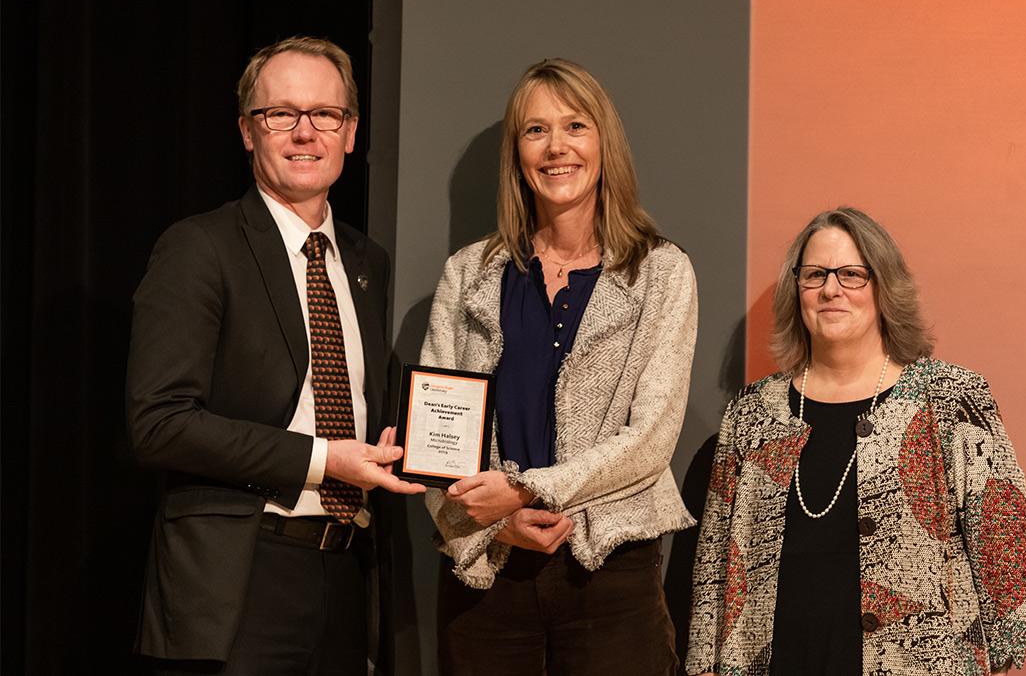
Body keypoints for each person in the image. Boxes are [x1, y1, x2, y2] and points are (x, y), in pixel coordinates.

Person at [127, 36, 424, 675]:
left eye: (325, 115)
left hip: (347, 571)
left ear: (351, 133)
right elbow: (159, 424)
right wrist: (324, 460)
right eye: (279, 114)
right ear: (246, 131)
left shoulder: (366, 260)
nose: (303, 133)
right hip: (240, 580)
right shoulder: (199, 248)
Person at [419, 58, 698, 674]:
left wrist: (527, 490)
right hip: (488, 571)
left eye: (575, 126)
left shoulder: (661, 271)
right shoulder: (469, 273)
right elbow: (435, 445)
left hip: (610, 573)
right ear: (516, 153)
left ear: (604, 144)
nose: (556, 147)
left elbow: (651, 437)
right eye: (535, 130)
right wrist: (492, 524)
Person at [686, 207, 1026, 676]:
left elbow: (1006, 534)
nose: (831, 289)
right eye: (815, 275)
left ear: (882, 286)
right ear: (798, 289)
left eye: (851, 274)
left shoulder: (949, 401)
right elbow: (714, 557)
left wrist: (1000, 656)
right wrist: (704, 662)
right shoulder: (751, 414)